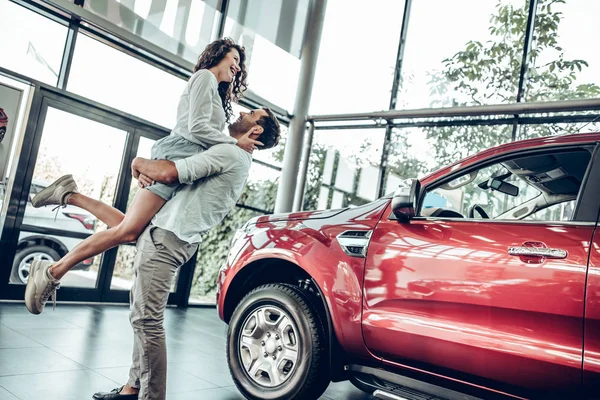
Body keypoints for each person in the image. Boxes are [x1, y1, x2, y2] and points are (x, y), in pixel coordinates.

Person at [29, 107, 281, 400]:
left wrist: (137, 162)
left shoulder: (231, 154)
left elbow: (169, 172)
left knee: (147, 322)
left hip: (167, 240)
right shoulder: (235, 154)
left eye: (250, 113)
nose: (241, 112)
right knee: (128, 233)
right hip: (170, 235)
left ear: (257, 129)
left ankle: (150, 396)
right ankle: (131, 389)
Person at [24, 38, 262, 315]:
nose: (237, 66)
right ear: (220, 55)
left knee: (129, 228)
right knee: (129, 231)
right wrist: (233, 144)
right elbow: (196, 129)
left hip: (183, 159)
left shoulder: (213, 88)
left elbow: (200, 131)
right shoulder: (204, 78)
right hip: (176, 156)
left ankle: (69, 194)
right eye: (235, 58)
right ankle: (52, 271)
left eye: (240, 63)